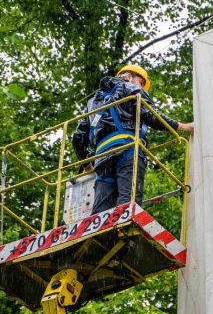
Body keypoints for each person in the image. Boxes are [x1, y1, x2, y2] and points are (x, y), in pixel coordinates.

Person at [71, 65, 194, 213]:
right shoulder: (130, 88)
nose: (142, 88)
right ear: (129, 76)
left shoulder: (93, 102)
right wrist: (183, 127)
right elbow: (149, 115)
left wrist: (87, 166)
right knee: (128, 209)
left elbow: (77, 138)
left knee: (100, 216)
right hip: (127, 151)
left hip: (102, 159)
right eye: (141, 83)